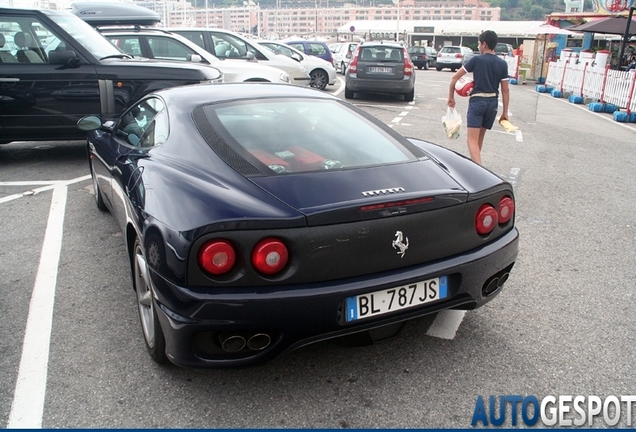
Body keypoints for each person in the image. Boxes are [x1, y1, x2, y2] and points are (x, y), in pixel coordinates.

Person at [447, 30, 510, 165]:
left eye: (479, 44)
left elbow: (455, 78)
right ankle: (474, 166)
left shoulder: (476, 60)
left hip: (478, 102)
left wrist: (451, 97)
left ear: (484, 44)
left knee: (471, 140)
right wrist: (504, 112)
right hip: (492, 103)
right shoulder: (502, 64)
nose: (478, 47)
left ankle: (480, 170)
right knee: (478, 140)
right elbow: (505, 90)